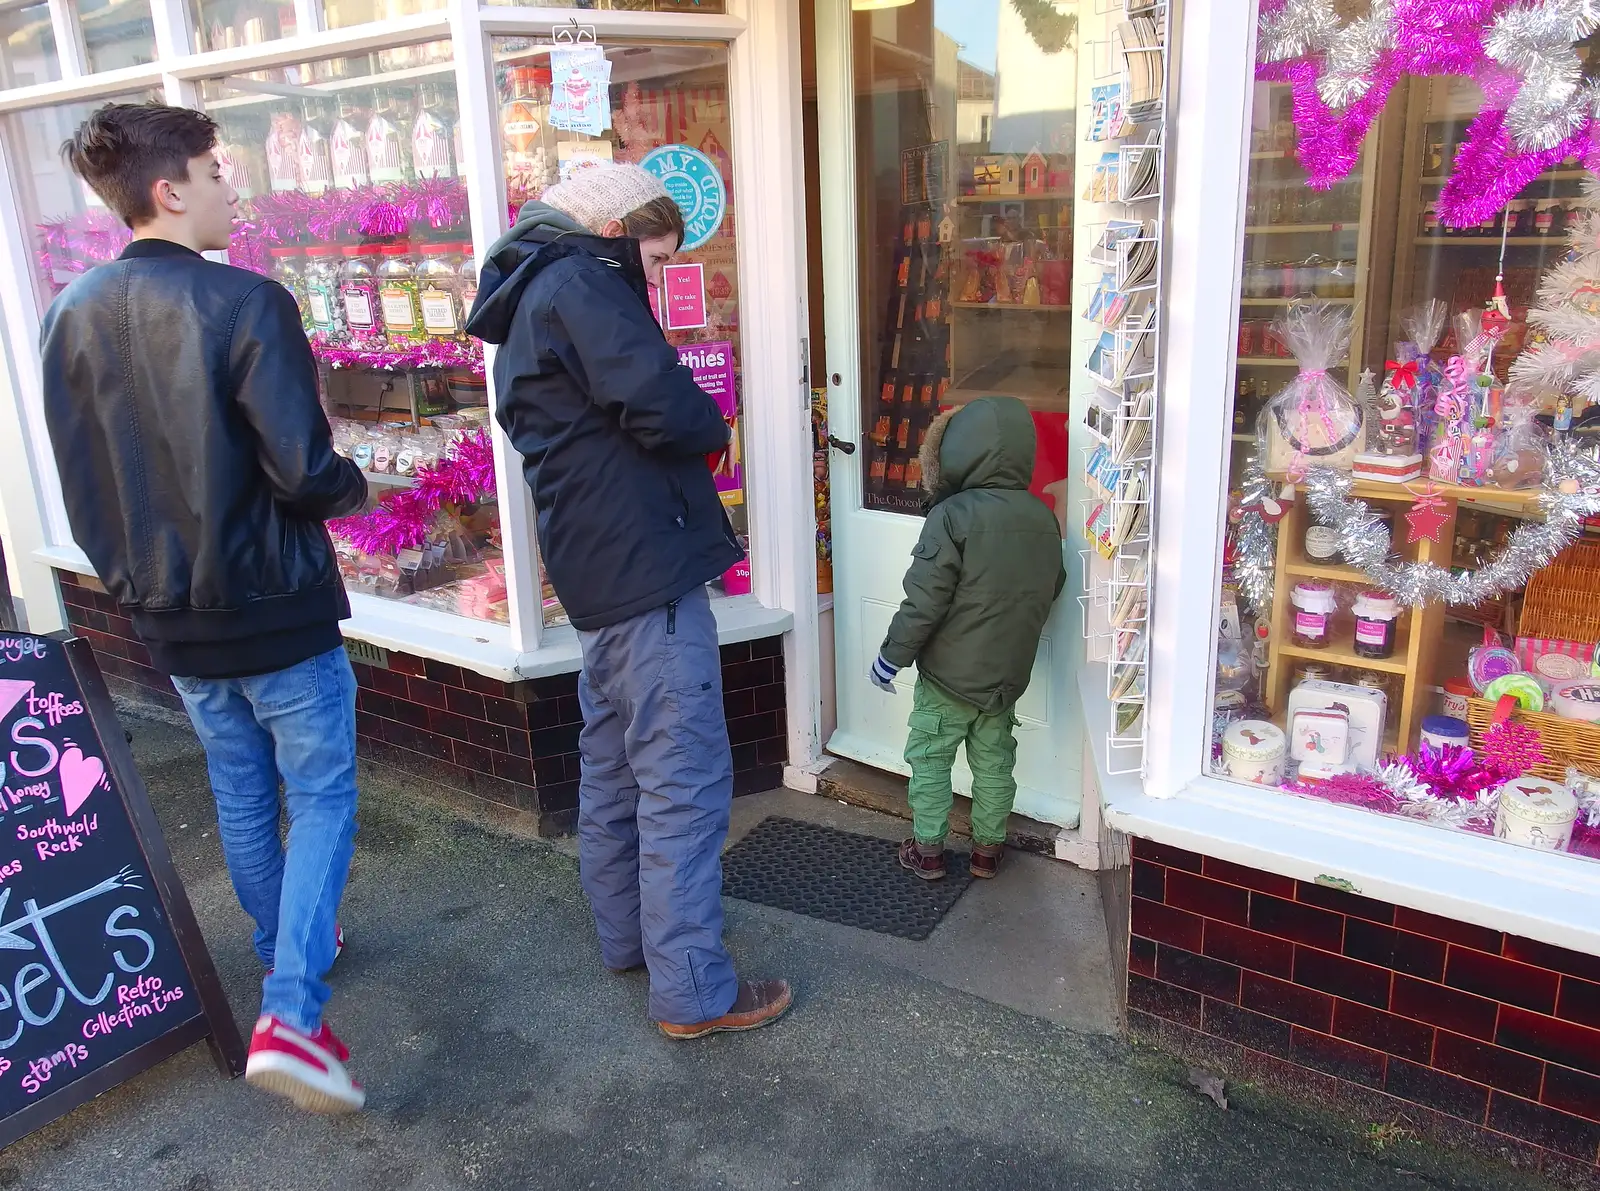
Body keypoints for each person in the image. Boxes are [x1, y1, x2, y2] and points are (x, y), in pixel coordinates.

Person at [42, 103, 369, 1112]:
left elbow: (84, 479)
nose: (234, 187)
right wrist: (355, 485)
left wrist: (136, 586)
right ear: (168, 189)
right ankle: (292, 1009)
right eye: (217, 171)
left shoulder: (70, 312)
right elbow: (304, 472)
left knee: (240, 788)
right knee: (317, 798)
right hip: (272, 608)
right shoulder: (246, 302)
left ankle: (287, 961)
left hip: (167, 615)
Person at [467, 164, 791, 1039]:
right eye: (651, 258)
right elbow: (670, 408)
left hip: (597, 576)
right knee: (681, 783)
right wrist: (711, 422)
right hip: (647, 575)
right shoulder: (581, 280)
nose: (653, 279)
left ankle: (629, 940)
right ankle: (693, 990)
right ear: (612, 228)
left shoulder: (533, 293)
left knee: (612, 771)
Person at [869, 396, 1065, 880]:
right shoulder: (1042, 517)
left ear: (955, 453)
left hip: (948, 677)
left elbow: (924, 600)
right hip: (1005, 676)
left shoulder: (952, 515)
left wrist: (892, 657)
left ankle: (930, 849)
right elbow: (1052, 584)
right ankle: (987, 851)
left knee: (931, 758)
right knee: (995, 761)